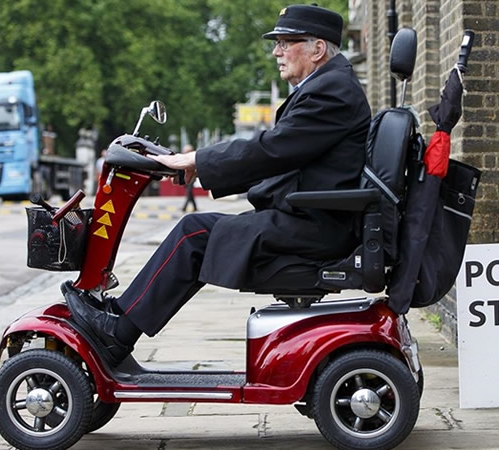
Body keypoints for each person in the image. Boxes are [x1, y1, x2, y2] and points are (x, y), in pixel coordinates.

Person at [66, 4, 372, 367]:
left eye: (285, 43)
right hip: (313, 217)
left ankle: (117, 332)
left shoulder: (331, 91)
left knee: (192, 234)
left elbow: (273, 149)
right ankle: (120, 319)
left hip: (317, 227)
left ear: (317, 49)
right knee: (197, 230)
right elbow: (279, 150)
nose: (276, 52)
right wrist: (199, 165)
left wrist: (199, 160)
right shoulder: (330, 86)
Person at [180, 144, 198, 212]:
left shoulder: (193, 158)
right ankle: (195, 207)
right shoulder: (185, 158)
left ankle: (184, 207)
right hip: (187, 178)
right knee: (190, 194)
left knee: (189, 192)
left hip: (192, 178)